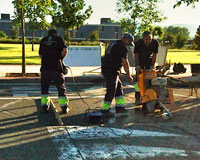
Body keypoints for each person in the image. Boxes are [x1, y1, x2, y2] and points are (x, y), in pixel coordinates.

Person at [101, 33, 134, 116]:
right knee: (111, 89)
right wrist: (129, 75)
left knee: (118, 87)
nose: (128, 44)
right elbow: (125, 62)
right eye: (129, 42)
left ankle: (120, 108)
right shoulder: (122, 47)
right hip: (112, 70)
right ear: (125, 39)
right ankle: (105, 110)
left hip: (106, 68)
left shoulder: (113, 43)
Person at [39, 29, 69, 114]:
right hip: (56, 67)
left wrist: (46, 59)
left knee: (44, 88)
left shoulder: (43, 40)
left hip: (45, 68)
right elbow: (65, 51)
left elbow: (40, 54)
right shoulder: (59, 39)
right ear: (56, 33)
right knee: (60, 88)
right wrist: (60, 60)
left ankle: (45, 106)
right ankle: (64, 107)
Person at [134, 31, 159, 105]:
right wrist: (138, 65)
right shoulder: (138, 43)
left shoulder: (155, 43)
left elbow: (155, 54)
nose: (148, 41)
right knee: (139, 82)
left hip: (149, 61)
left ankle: (150, 97)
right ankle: (138, 98)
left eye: (149, 39)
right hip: (141, 61)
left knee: (151, 80)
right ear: (143, 39)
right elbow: (136, 55)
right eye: (146, 39)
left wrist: (153, 65)